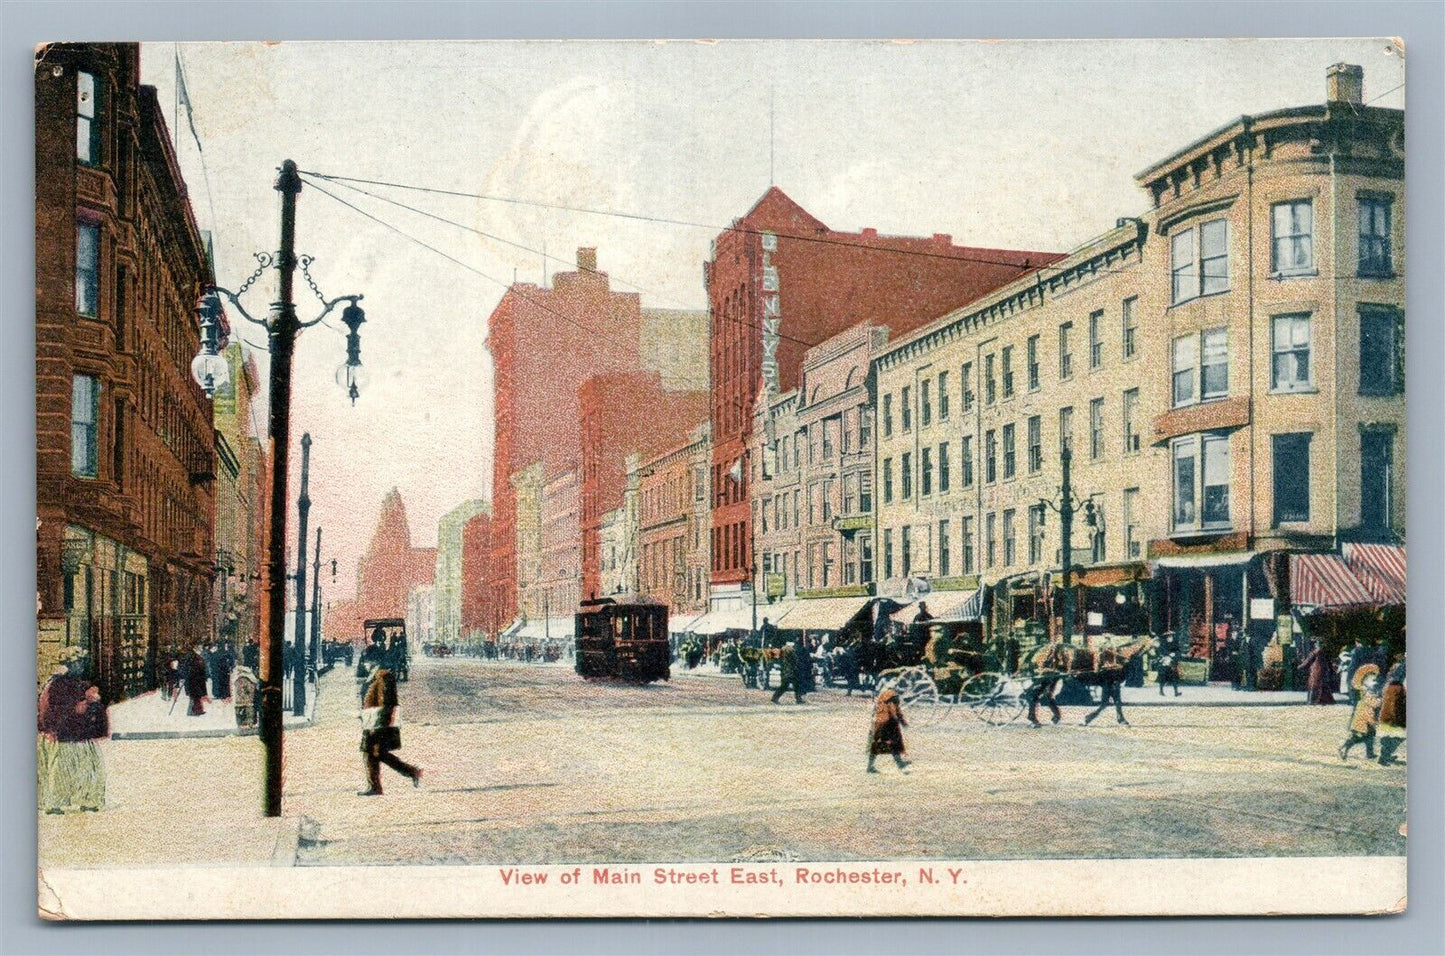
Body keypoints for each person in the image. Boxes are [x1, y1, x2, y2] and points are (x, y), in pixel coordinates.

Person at [37, 650, 108, 813]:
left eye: (82, 661)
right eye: (77, 662)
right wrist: (80, 706)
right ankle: (56, 803)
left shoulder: (79, 682)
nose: (81, 665)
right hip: (64, 735)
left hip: (79, 734)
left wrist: (92, 701)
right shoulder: (58, 683)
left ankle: (89, 800)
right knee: (62, 770)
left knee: (89, 768)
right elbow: (51, 710)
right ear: (69, 664)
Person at [358, 667, 422, 795]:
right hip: (372, 719)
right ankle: (411, 772)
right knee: (376, 753)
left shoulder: (383, 677)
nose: (365, 664)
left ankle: (375, 786)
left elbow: (385, 703)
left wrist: (377, 724)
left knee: (372, 753)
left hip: (377, 722)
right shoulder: (375, 675)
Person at [1339, 664, 1381, 761]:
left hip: (1368, 718)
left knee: (1370, 736)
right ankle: (1345, 746)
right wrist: (1379, 701)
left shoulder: (1369, 691)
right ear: (1364, 681)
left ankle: (1370, 753)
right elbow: (1372, 703)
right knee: (1361, 736)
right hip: (1364, 719)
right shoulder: (1365, 691)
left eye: (1375, 680)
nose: (1375, 682)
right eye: (1372, 680)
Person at [866, 688, 910, 774]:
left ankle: (870, 766)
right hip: (889, 723)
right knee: (894, 744)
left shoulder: (883, 695)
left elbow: (875, 711)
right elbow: (895, 711)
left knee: (877, 745)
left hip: (879, 723)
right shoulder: (893, 696)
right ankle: (900, 764)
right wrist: (902, 722)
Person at [1377, 653, 1406, 766]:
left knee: (1389, 734)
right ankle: (1384, 756)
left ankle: (1385, 754)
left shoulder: (1391, 683)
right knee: (1399, 734)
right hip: (1394, 713)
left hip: (1389, 713)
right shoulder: (1397, 686)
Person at [1299, 639, 1335, 705]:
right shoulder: (1323, 652)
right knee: (1322, 685)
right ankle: (1326, 700)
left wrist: (1300, 666)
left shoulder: (1315, 652)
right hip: (1322, 670)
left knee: (1313, 685)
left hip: (1315, 670)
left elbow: (1307, 661)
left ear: (1316, 644)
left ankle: (1312, 701)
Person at [184, 646, 209, 716]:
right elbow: (188, 668)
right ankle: (194, 711)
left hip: (198, 678)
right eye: (197, 649)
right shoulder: (192, 657)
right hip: (193, 678)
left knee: (197, 695)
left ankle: (197, 710)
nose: (199, 650)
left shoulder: (199, 657)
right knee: (195, 695)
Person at [1344, 637, 1370, 704]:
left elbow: (1353, 662)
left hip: (1354, 669)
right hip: (1364, 669)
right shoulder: (1367, 650)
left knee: (1351, 683)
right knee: (1362, 684)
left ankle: (1353, 700)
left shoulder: (1355, 650)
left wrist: (1348, 668)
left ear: (1356, 642)